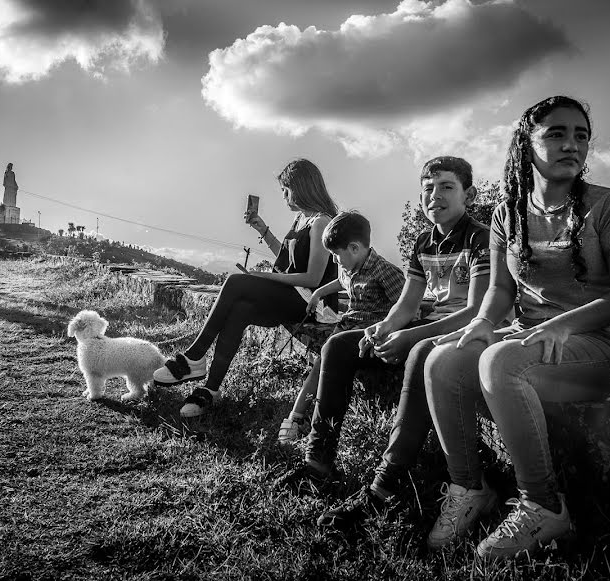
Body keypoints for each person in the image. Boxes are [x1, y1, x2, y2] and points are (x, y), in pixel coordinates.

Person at [422, 96, 610, 559]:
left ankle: (543, 505)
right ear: (527, 144)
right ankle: (469, 488)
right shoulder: (510, 213)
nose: (572, 145)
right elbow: (501, 292)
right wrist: (483, 322)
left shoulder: (608, 206)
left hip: (594, 348)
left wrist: (562, 326)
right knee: (443, 358)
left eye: (581, 135)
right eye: (557, 134)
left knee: (502, 361)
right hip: (528, 335)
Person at [276, 156, 492, 493]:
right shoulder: (424, 241)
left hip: (465, 334)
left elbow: (476, 311)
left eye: (447, 187)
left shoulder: (480, 239)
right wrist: (383, 328)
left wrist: (408, 335)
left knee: (419, 352)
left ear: (470, 194)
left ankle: (385, 483)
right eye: (428, 189)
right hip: (428, 327)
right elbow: (406, 305)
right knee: (337, 345)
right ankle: (317, 460)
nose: (435, 195)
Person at [153, 158, 340, 418]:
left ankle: (194, 357)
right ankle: (211, 389)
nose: (284, 197)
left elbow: (312, 277)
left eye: (286, 190)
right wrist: (261, 228)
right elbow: (286, 261)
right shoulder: (302, 220)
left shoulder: (321, 222)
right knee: (239, 309)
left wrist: (264, 277)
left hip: (310, 304)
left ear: (301, 187)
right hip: (291, 297)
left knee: (234, 281)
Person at [277, 211, 405, 445]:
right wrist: (317, 293)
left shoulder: (386, 272)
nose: (334, 260)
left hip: (369, 334)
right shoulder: (350, 266)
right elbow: (341, 282)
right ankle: (297, 416)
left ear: (355, 248)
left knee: (329, 366)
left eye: (336, 255)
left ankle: (313, 422)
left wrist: (386, 330)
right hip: (345, 328)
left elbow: (407, 307)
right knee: (321, 365)